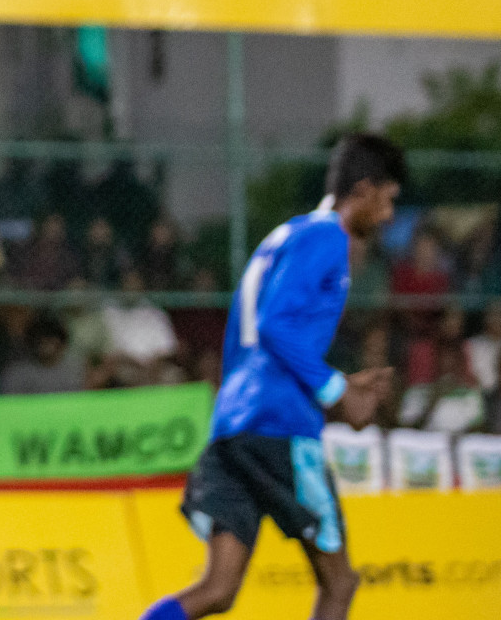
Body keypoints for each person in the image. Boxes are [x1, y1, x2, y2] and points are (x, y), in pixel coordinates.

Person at [137, 133, 404, 620]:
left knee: (217, 590)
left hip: (235, 424)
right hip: (281, 426)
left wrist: (334, 380)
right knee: (339, 582)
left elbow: (261, 339)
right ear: (363, 190)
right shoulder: (328, 238)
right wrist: (336, 390)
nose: (387, 217)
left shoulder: (288, 235)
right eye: (388, 201)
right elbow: (276, 326)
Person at [103, 269, 183, 387]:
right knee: (121, 374)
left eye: (135, 283)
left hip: (155, 367)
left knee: (175, 375)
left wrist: (153, 366)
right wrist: (133, 363)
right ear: (121, 286)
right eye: (128, 283)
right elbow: (109, 351)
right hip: (125, 366)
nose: (131, 288)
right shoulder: (110, 313)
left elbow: (168, 349)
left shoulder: (155, 313)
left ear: (142, 286)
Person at [398, 340, 486, 434]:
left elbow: (478, 430)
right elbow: (404, 434)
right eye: (442, 358)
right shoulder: (415, 393)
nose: (447, 363)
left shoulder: (470, 394)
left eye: (452, 359)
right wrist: (432, 402)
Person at [0, 314, 86, 395]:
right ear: (31, 342)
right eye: (41, 341)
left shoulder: (78, 370)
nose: (46, 346)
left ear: (62, 343)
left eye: (50, 340)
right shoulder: (16, 373)